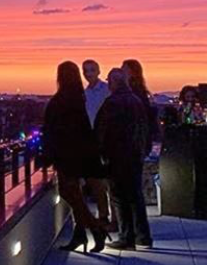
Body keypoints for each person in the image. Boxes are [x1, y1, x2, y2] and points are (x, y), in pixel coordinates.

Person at [44, 61, 107, 252]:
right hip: (82, 154)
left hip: (67, 156)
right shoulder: (79, 97)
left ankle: (95, 228)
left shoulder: (62, 100)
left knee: (69, 192)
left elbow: (55, 130)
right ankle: (83, 233)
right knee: (76, 195)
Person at [96, 68, 152, 250]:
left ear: (113, 82)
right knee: (135, 196)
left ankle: (126, 237)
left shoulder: (111, 103)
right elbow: (145, 129)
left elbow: (102, 132)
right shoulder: (136, 101)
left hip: (117, 157)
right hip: (135, 155)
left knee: (119, 197)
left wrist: (101, 154)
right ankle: (143, 236)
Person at [81, 60, 113, 230]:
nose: (88, 73)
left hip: (107, 139)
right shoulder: (84, 94)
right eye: (86, 70)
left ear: (99, 71)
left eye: (92, 70)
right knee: (96, 182)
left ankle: (112, 217)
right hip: (92, 140)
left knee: (108, 181)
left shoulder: (107, 90)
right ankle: (103, 215)